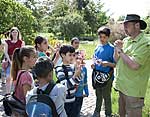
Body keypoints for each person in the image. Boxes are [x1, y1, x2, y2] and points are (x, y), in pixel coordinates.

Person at [113, 14, 150, 117]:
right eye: (124, 25)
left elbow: (134, 65)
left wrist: (120, 51)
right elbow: (116, 59)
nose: (124, 28)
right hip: (122, 87)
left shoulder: (146, 43)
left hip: (133, 91)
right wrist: (117, 49)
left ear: (137, 25)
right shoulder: (125, 40)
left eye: (127, 25)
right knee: (122, 114)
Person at [91, 27, 115, 117]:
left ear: (108, 37)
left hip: (108, 76)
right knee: (98, 95)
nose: (102, 39)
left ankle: (108, 113)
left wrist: (107, 63)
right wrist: (93, 65)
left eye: (104, 37)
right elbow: (94, 58)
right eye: (100, 37)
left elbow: (115, 64)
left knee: (106, 96)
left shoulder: (112, 48)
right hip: (97, 76)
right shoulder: (97, 47)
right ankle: (97, 111)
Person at [55, 45, 81, 117]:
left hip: (73, 99)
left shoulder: (72, 67)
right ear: (63, 55)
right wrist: (75, 75)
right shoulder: (59, 69)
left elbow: (78, 82)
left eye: (73, 55)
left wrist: (78, 72)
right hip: (64, 102)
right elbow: (64, 86)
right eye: (69, 55)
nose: (72, 57)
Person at [11, 46, 37, 116]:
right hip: (24, 111)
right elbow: (28, 98)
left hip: (17, 110)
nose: (36, 59)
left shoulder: (19, 72)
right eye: (34, 57)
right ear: (25, 58)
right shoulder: (26, 75)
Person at [4, 27, 25, 94]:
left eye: (16, 32)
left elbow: (23, 52)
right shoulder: (7, 42)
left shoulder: (21, 42)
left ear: (18, 33)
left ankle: (16, 93)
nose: (15, 33)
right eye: (13, 32)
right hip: (9, 60)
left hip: (18, 61)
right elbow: (5, 52)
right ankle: (7, 93)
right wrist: (10, 61)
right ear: (11, 33)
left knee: (17, 78)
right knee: (8, 78)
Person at [73, 52, 89, 117]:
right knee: (73, 111)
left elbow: (85, 81)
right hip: (73, 95)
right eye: (76, 58)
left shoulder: (84, 69)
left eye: (80, 58)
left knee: (78, 110)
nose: (78, 60)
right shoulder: (72, 69)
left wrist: (86, 91)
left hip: (80, 94)